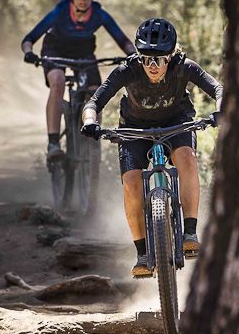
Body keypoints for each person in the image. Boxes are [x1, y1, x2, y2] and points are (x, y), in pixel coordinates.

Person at [80, 18, 222, 278]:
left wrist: (222, 109)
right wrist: (90, 121)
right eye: (146, 59)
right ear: (138, 56)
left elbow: (217, 88)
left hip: (176, 123)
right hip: (134, 128)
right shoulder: (127, 70)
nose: (153, 66)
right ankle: (143, 253)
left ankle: (189, 232)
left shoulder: (184, 68)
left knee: (187, 158)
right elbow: (94, 102)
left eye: (160, 59)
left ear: (171, 57)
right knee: (131, 182)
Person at [21, 0, 136, 161]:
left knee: (96, 90)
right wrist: (29, 53)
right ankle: (53, 143)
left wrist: (134, 56)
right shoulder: (60, 11)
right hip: (55, 50)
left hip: (83, 52)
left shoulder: (99, 14)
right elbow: (29, 38)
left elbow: (123, 41)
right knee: (57, 80)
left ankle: (93, 142)